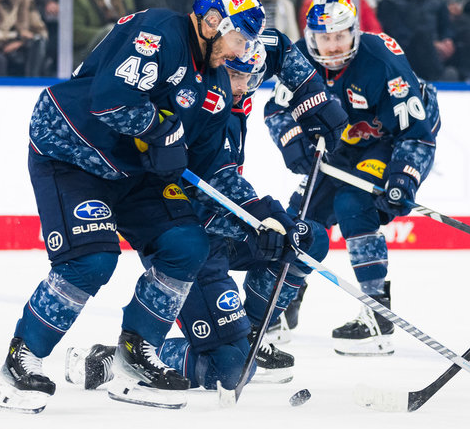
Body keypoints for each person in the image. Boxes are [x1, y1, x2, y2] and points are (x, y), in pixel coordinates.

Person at [0, 0, 272, 414]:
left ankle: (134, 357)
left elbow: (211, 168)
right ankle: (21, 361)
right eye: (238, 38)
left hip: (132, 172)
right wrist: (162, 131)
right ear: (213, 20)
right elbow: (110, 98)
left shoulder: (217, 87)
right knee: (91, 259)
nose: (241, 52)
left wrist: (260, 215)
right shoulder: (159, 31)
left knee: (186, 244)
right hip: (72, 152)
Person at [64, 40, 338, 394]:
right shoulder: (189, 101)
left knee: (309, 238)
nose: (242, 88)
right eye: (235, 75)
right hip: (193, 238)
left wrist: (312, 96)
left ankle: (250, 331)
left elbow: (279, 47)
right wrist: (261, 220)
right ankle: (114, 359)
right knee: (231, 369)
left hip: (232, 224)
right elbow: (207, 187)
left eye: (251, 77)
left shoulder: (239, 54)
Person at [265, 0, 440, 356]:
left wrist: (404, 177)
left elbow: (417, 134)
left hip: (386, 141)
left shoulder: (380, 61)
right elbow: (277, 109)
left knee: (352, 204)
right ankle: (281, 306)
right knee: (301, 217)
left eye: (340, 35)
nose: (332, 46)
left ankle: (377, 312)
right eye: (324, 37)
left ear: (354, 31)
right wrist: (292, 140)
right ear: (311, 36)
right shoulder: (299, 59)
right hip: (337, 145)